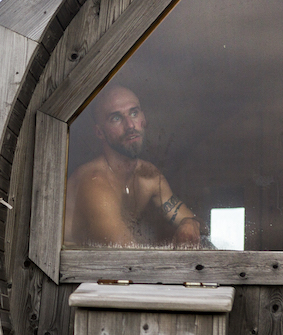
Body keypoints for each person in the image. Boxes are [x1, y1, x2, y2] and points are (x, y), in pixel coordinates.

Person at [64, 84, 203, 248]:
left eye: (134, 113)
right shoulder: (94, 181)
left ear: (143, 120)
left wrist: (190, 224)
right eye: (116, 118)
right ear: (99, 132)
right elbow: (126, 257)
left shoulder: (149, 175)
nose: (130, 125)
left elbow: (196, 222)